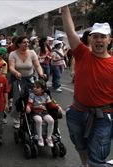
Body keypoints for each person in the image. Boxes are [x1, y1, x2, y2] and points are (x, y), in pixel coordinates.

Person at [62, 6, 113, 167]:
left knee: (97, 160)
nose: (99, 40)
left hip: (103, 116)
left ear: (109, 40)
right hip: (78, 112)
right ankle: (84, 164)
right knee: (80, 145)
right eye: (95, 36)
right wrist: (64, 7)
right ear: (90, 39)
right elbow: (69, 30)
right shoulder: (82, 54)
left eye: (102, 37)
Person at [8, 36, 45, 129]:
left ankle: (31, 115)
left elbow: (37, 65)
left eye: (27, 42)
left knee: (31, 97)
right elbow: (11, 67)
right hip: (17, 79)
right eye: (24, 42)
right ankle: (16, 119)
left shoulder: (32, 53)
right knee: (18, 97)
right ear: (19, 44)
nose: (27, 44)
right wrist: (16, 72)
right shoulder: (13, 54)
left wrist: (41, 74)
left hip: (30, 79)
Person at [26, 80, 63, 147]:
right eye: (34, 87)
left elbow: (51, 104)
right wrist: (28, 107)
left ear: (42, 89)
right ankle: (40, 138)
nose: (35, 88)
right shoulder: (32, 95)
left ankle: (48, 138)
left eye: (37, 87)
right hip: (35, 112)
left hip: (44, 112)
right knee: (39, 120)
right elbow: (30, 104)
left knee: (51, 120)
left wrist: (57, 107)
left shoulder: (46, 95)